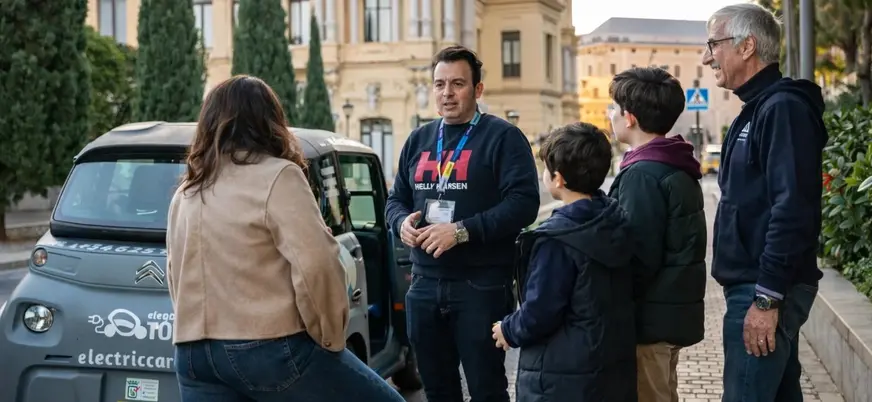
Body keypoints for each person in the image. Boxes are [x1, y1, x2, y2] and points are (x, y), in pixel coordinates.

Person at [166, 75, 405, 402]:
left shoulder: (187, 191)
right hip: (267, 347)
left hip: (193, 354)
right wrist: (330, 337)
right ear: (270, 121)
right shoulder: (278, 175)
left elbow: (173, 272)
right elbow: (318, 265)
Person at [385, 45, 540, 402]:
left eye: (457, 84)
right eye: (440, 84)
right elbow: (396, 199)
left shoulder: (503, 138)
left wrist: (462, 231)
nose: (447, 93)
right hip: (423, 283)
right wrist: (399, 223)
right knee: (437, 389)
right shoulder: (419, 139)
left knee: (486, 387)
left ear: (478, 89)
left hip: (480, 285)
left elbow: (524, 204)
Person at [703, 4, 827, 401]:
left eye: (713, 44)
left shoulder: (782, 109)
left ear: (747, 46)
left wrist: (766, 298)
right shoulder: (757, 109)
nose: (707, 57)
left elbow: (793, 209)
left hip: (763, 289)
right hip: (757, 286)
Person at [492, 122, 636, 402]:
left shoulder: (557, 239)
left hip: (560, 376)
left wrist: (508, 329)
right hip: (607, 366)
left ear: (557, 179)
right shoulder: (614, 220)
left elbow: (540, 310)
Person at [605, 67, 708, 402]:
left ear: (629, 117)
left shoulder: (643, 175)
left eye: (613, 108)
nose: (610, 115)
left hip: (648, 320)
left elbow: (638, 255)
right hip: (670, 313)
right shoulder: (675, 164)